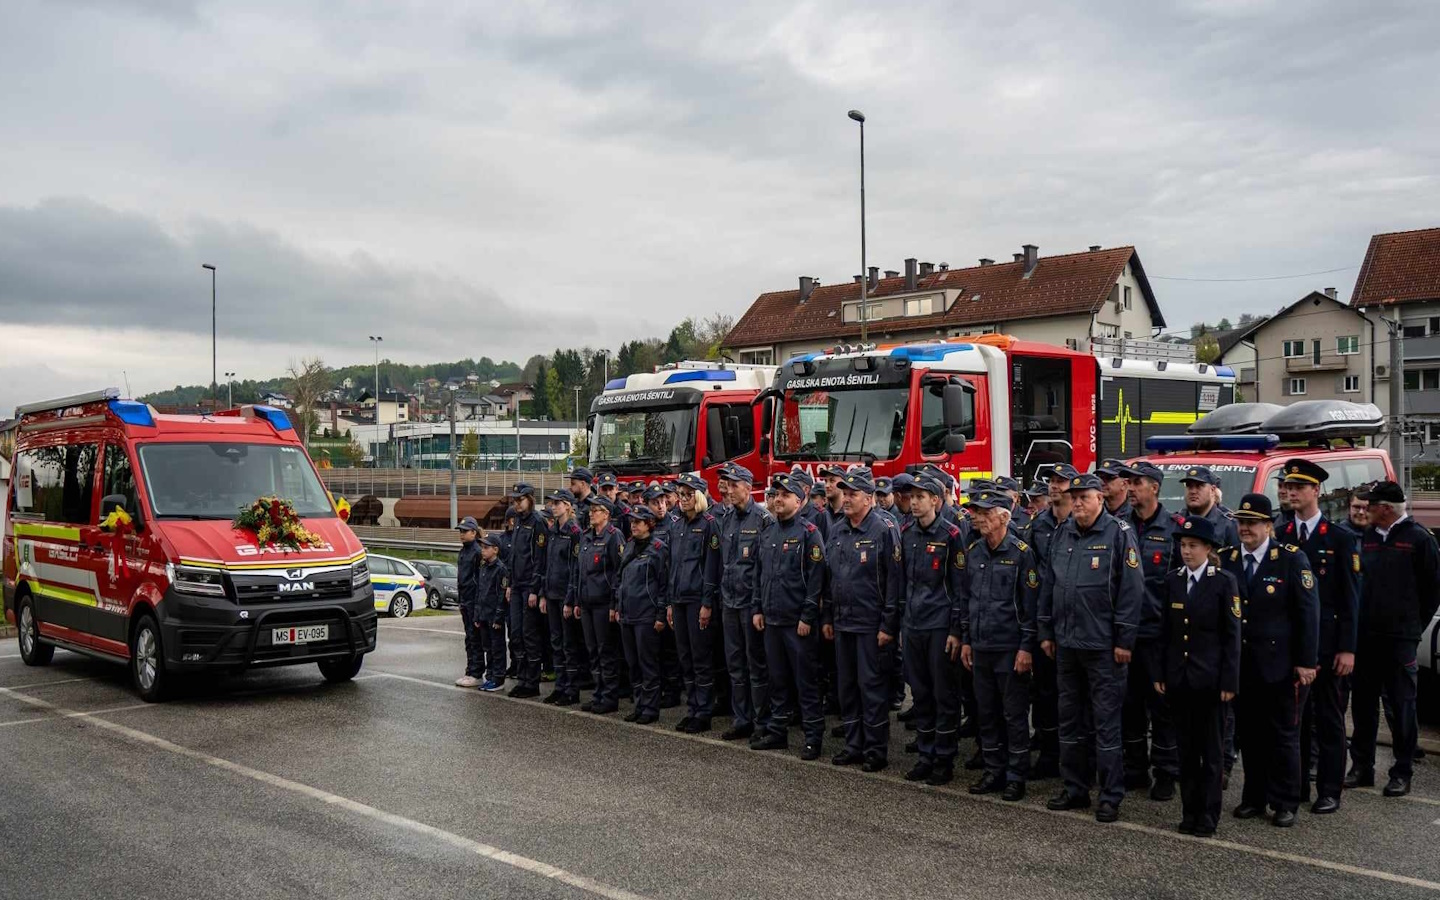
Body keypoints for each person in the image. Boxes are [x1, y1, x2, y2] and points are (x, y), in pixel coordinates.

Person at [1039, 473, 1145, 823]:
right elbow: (1049, 585)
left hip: (1103, 647)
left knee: (1106, 724)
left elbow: (1131, 591)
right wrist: (1046, 631)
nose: (1078, 503)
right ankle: (1075, 788)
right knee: (1070, 721)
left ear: (1100, 498)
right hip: (1067, 644)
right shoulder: (1063, 533)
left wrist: (1124, 640)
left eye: (1084, 497)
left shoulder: (1119, 533)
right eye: (1075, 498)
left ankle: (1110, 795)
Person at [1221, 493, 1319, 827]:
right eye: (1241, 522)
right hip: (1244, 665)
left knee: (1283, 736)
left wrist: (1307, 661)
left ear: (1268, 525)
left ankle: (1285, 801)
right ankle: (1254, 796)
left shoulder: (1290, 559)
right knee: (1250, 735)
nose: (1245, 528)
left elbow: (1308, 614)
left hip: (1281, 666)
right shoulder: (1228, 558)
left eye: (1252, 523)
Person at [1272, 459, 1360, 814]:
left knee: (1329, 721)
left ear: (1316, 491)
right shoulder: (1281, 535)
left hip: (1327, 646)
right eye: (1288, 486)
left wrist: (1348, 648)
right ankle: (1296, 788)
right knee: (1294, 722)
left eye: (1299, 487)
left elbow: (1351, 599)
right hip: (1291, 646)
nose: (1291, 492)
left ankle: (1329, 789)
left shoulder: (1340, 538)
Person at [1347, 481, 1440, 798]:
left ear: (1385, 509)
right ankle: (1362, 767)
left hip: (1400, 640)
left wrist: (1412, 629)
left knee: (1402, 706)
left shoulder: (1419, 539)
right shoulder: (1368, 537)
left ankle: (1402, 771)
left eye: (1370, 505)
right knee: (1363, 706)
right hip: (1366, 638)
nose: (1365, 509)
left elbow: (1432, 590)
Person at [1155, 516, 1241, 838]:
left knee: (1212, 753)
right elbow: (1165, 632)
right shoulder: (1173, 580)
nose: (1186, 551)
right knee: (1187, 752)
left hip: (1210, 681)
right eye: (1183, 545)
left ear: (1208, 548)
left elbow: (1232, 636)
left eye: (1193, 546)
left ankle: (1208, 815)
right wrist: (1160, 672)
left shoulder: (1223, 582)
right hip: (1180, 679)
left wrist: (1229, 681)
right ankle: (1189, 811)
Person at [823, 468, 904, 773]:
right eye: (844, 493)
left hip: (871, 625)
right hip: (843, 622)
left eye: (853, 494)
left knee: (871, 688)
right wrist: (828, 616)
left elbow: (894, 582)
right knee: (847, 687)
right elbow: (830, 577)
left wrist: (888, 625)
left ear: (869, 498)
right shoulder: (837, 530)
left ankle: (875, 749)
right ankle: (853, 745)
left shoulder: (884, 529)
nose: (846, 499)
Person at [960, 488, 1039, 801]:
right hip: (981, 646)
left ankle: (1016, 775)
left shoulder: (1021, 553)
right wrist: (967, 641)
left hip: (1009, 648)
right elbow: (967, 600)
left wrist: (1026, 647)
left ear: (1004, 517)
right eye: (976, 513)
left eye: (985, 513)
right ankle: (993, 770)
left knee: (1014, 715)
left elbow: (1029, 606)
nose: (978, 518)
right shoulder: (975, 551)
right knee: (987, 712)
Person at [750, 473, 827, 760]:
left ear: (800, 500)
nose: (778, 499)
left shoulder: (809, 533)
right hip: (772, 620)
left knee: (806, 683)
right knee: (777, 680)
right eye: (776, 494)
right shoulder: (768, 532)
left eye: (785, 495)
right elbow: (759, 575)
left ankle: (813, 737)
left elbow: (817, 580)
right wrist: (757, 608)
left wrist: (807, 617)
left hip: (797, 624)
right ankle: (777, 732)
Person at [898, 476, 968, 786]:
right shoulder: (906, 534)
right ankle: (925, 755)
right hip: (914, 624)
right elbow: (902, 583)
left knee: (944, 694)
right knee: (921, 693)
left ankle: (944, 758)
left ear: (936, 501)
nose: (914, 502)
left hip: (940, 625)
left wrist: (956, 630)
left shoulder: (951, 535)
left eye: (921, 497)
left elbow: (960, 586)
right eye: (912, 497)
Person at [1120, 460, 1183, 801]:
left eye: (1137, 483)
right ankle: (1135, 768)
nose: (1130, 489)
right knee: (1129, 706)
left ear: (1155, 488)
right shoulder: (1120, 527)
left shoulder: (1173, 529)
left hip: (1158, 637)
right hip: (1127, 634)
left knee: (1163, 709)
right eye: (1128, 483)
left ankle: (1166, 772)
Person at [1025, 462, 1078, 779]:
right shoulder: (1039, 524)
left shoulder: (1079, 524)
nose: (1055, 486)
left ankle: (1075, 759)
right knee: (1044, 693)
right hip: (1043, 618)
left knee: (1072, 696)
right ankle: (1048, 755)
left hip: (1071, 621)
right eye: (1052, 481)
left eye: (1062, 481)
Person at [716, 463, 775, 741]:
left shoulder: (763, 519)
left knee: (756, 666)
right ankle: (742, 720)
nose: (728, 490)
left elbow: (765, 568)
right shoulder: (727, 518)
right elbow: (725, 563)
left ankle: (762, 722)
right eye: (727, 484)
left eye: (734, 485)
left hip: (750, 603)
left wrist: (758, 606)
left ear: (748, 488)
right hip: (729, 602)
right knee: (735, 665)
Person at [667, 473, 722, 733]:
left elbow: (711, 567)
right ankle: (692, 708)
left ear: (700, 496)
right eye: (681, 494)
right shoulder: (676, 526)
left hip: (697, 600)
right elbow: (672, 567)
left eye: (689, 494)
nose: (684, 499)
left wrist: (707, 603)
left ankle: (704, 712)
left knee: (701, 658)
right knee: (685, 657)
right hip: (679, 599)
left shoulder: (709, 524)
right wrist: (669, 603)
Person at [617, 506, 670, 725]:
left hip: (646, 614)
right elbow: (620, 579)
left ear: (649, 524)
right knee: (633, 664)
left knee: (647, 663)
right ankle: (639, 705)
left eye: (638, 522)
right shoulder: (629, 545)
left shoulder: (658, 548)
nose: (634, 526)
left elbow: (664, 584)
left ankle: (650, 708)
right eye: (632, 522)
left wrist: (660, 615)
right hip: (628, 613)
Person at [572, 497, 625, 715]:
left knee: (606, 651)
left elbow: (619, 572)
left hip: (603, 603)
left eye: (596, 510)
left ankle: (610, 697)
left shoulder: (614, 536)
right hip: (587, 602)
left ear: (607, 514)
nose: (591, 513)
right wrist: (577, 600)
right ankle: (598, 694)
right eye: (591, 510)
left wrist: (614, 604)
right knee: (593, 651)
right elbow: (580, 571)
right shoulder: (586, 536)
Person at [539, 490, 586, 706]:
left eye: (558, 503)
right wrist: (543, 594)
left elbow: (575, 568)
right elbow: (547, 565)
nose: (553, 507)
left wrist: (570, 599)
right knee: (556, 643)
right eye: (552, 503)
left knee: (569, 645)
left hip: (565, 595)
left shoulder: (575, 532)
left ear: (568, 506)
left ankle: (571, 689)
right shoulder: (552, 531)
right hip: (551, 594)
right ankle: (560, 687)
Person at [504, 483, 548, 699]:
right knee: (516, 634)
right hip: (517, 585)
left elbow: (539, 560)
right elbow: (514, 556)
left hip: (529, 586)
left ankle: (532, 682)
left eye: (520, 500)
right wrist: (510, 583)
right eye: (515, 500)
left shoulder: (538, 522)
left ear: (530, 499)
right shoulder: (519, 521)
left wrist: (534, 589)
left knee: (529, 635)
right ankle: (522, 678)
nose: (517, 504)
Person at [474, 533, 510, 692]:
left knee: (497, 648)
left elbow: (502, 595)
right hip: (484, 614)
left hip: (494, 615)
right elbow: (480, 591)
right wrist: (477, 614)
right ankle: (489, 676)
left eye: (486, 547)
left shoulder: (501, 569)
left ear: (495, 550)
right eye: (482, 547)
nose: (483, 550)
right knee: (488, 648)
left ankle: (498, 678)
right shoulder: (483, 567)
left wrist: (498, 617)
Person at [454, 517, 485, 688]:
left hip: (474, 600)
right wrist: (460, 601)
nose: (462, 534)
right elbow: (461, 579)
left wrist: (477, 604)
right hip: (465, 600)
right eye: (461, 531)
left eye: (465, 531)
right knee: (469, 637)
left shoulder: (477, 552)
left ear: (474, 532)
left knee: (475, 638)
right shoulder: (463, 552)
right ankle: (470, 670)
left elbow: (479, 580)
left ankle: (476, 672)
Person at [1179, 467, 1241, 551]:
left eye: (1199, 486)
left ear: (1212, 490)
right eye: (1189, 486)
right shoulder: (1175, 522)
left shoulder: (1229, 526)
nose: (1193, 491)